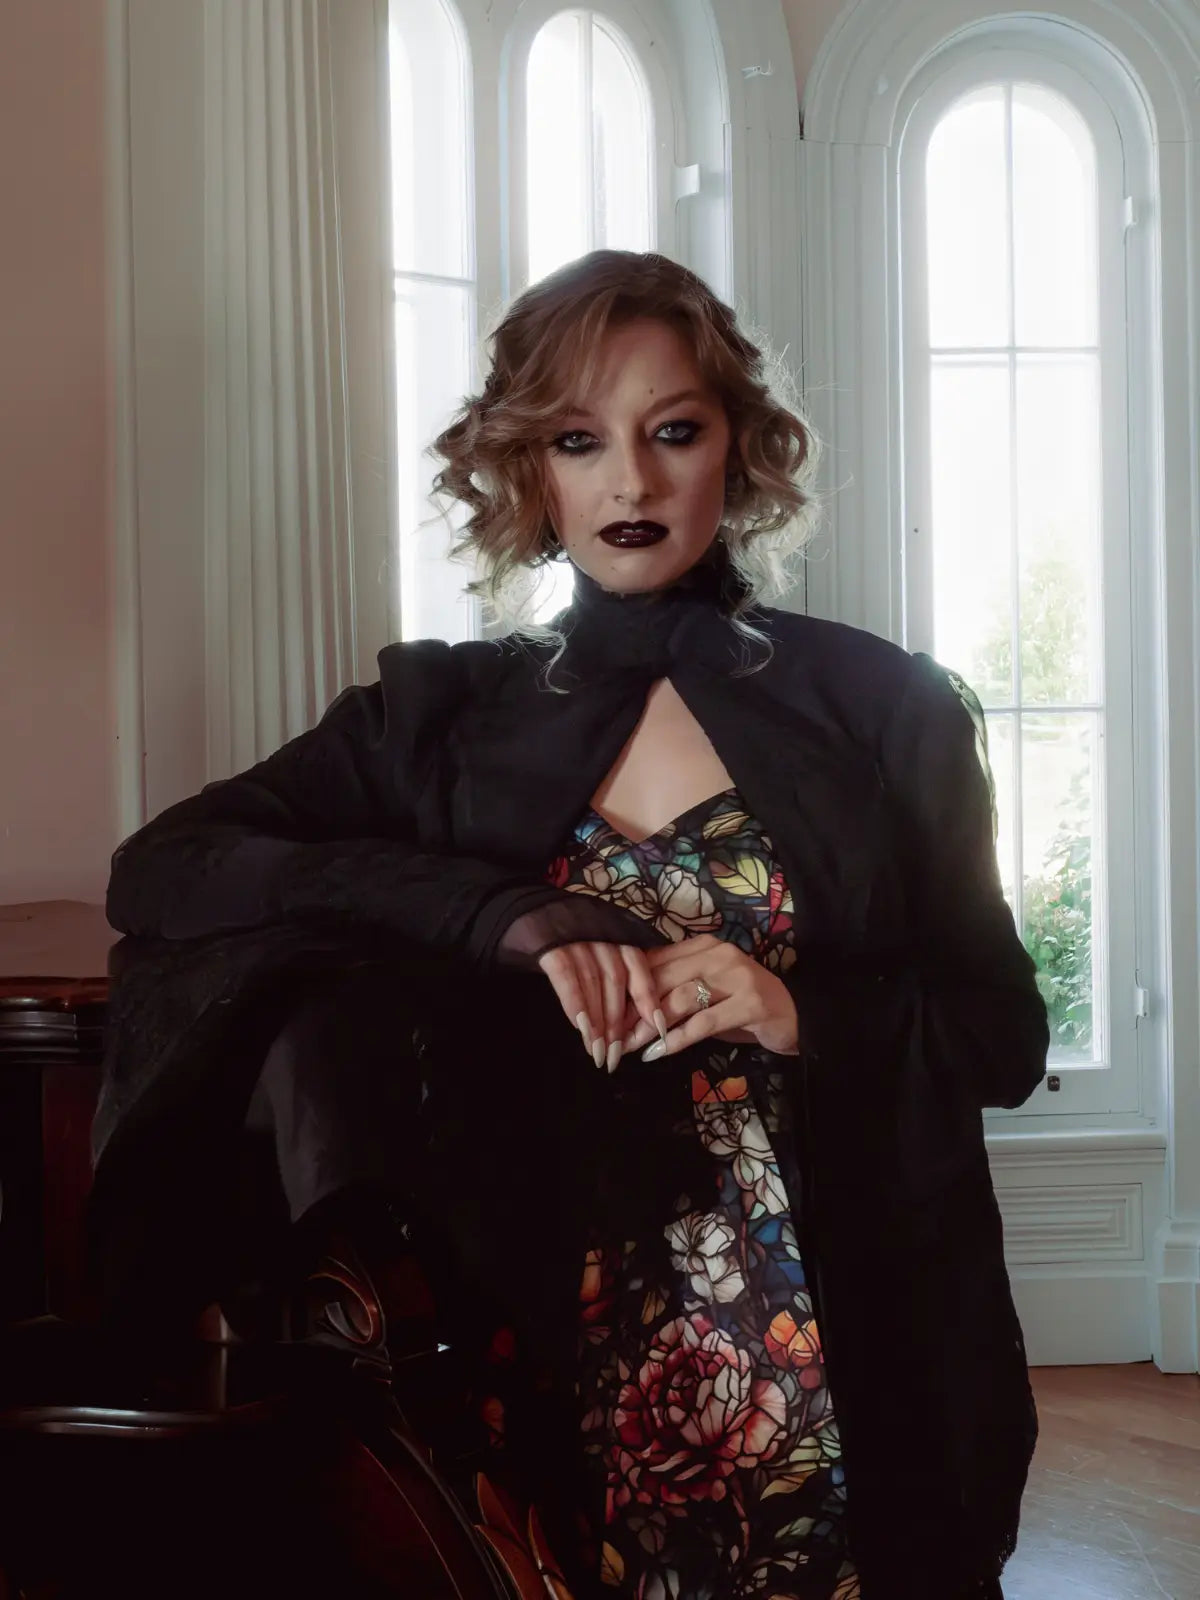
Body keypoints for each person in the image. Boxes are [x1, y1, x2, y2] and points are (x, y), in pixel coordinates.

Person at [94, 250, 1048, 1600]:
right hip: (527, 1339)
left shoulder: (886, 708)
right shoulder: (441, 716)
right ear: (526, 474)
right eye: (578, 441)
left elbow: (1004, 1035)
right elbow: (164, 868)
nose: (634, 483)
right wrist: (508, 916)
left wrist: (797, 1007)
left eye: (675, 432)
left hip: (846, 1343)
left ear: (741, 449)